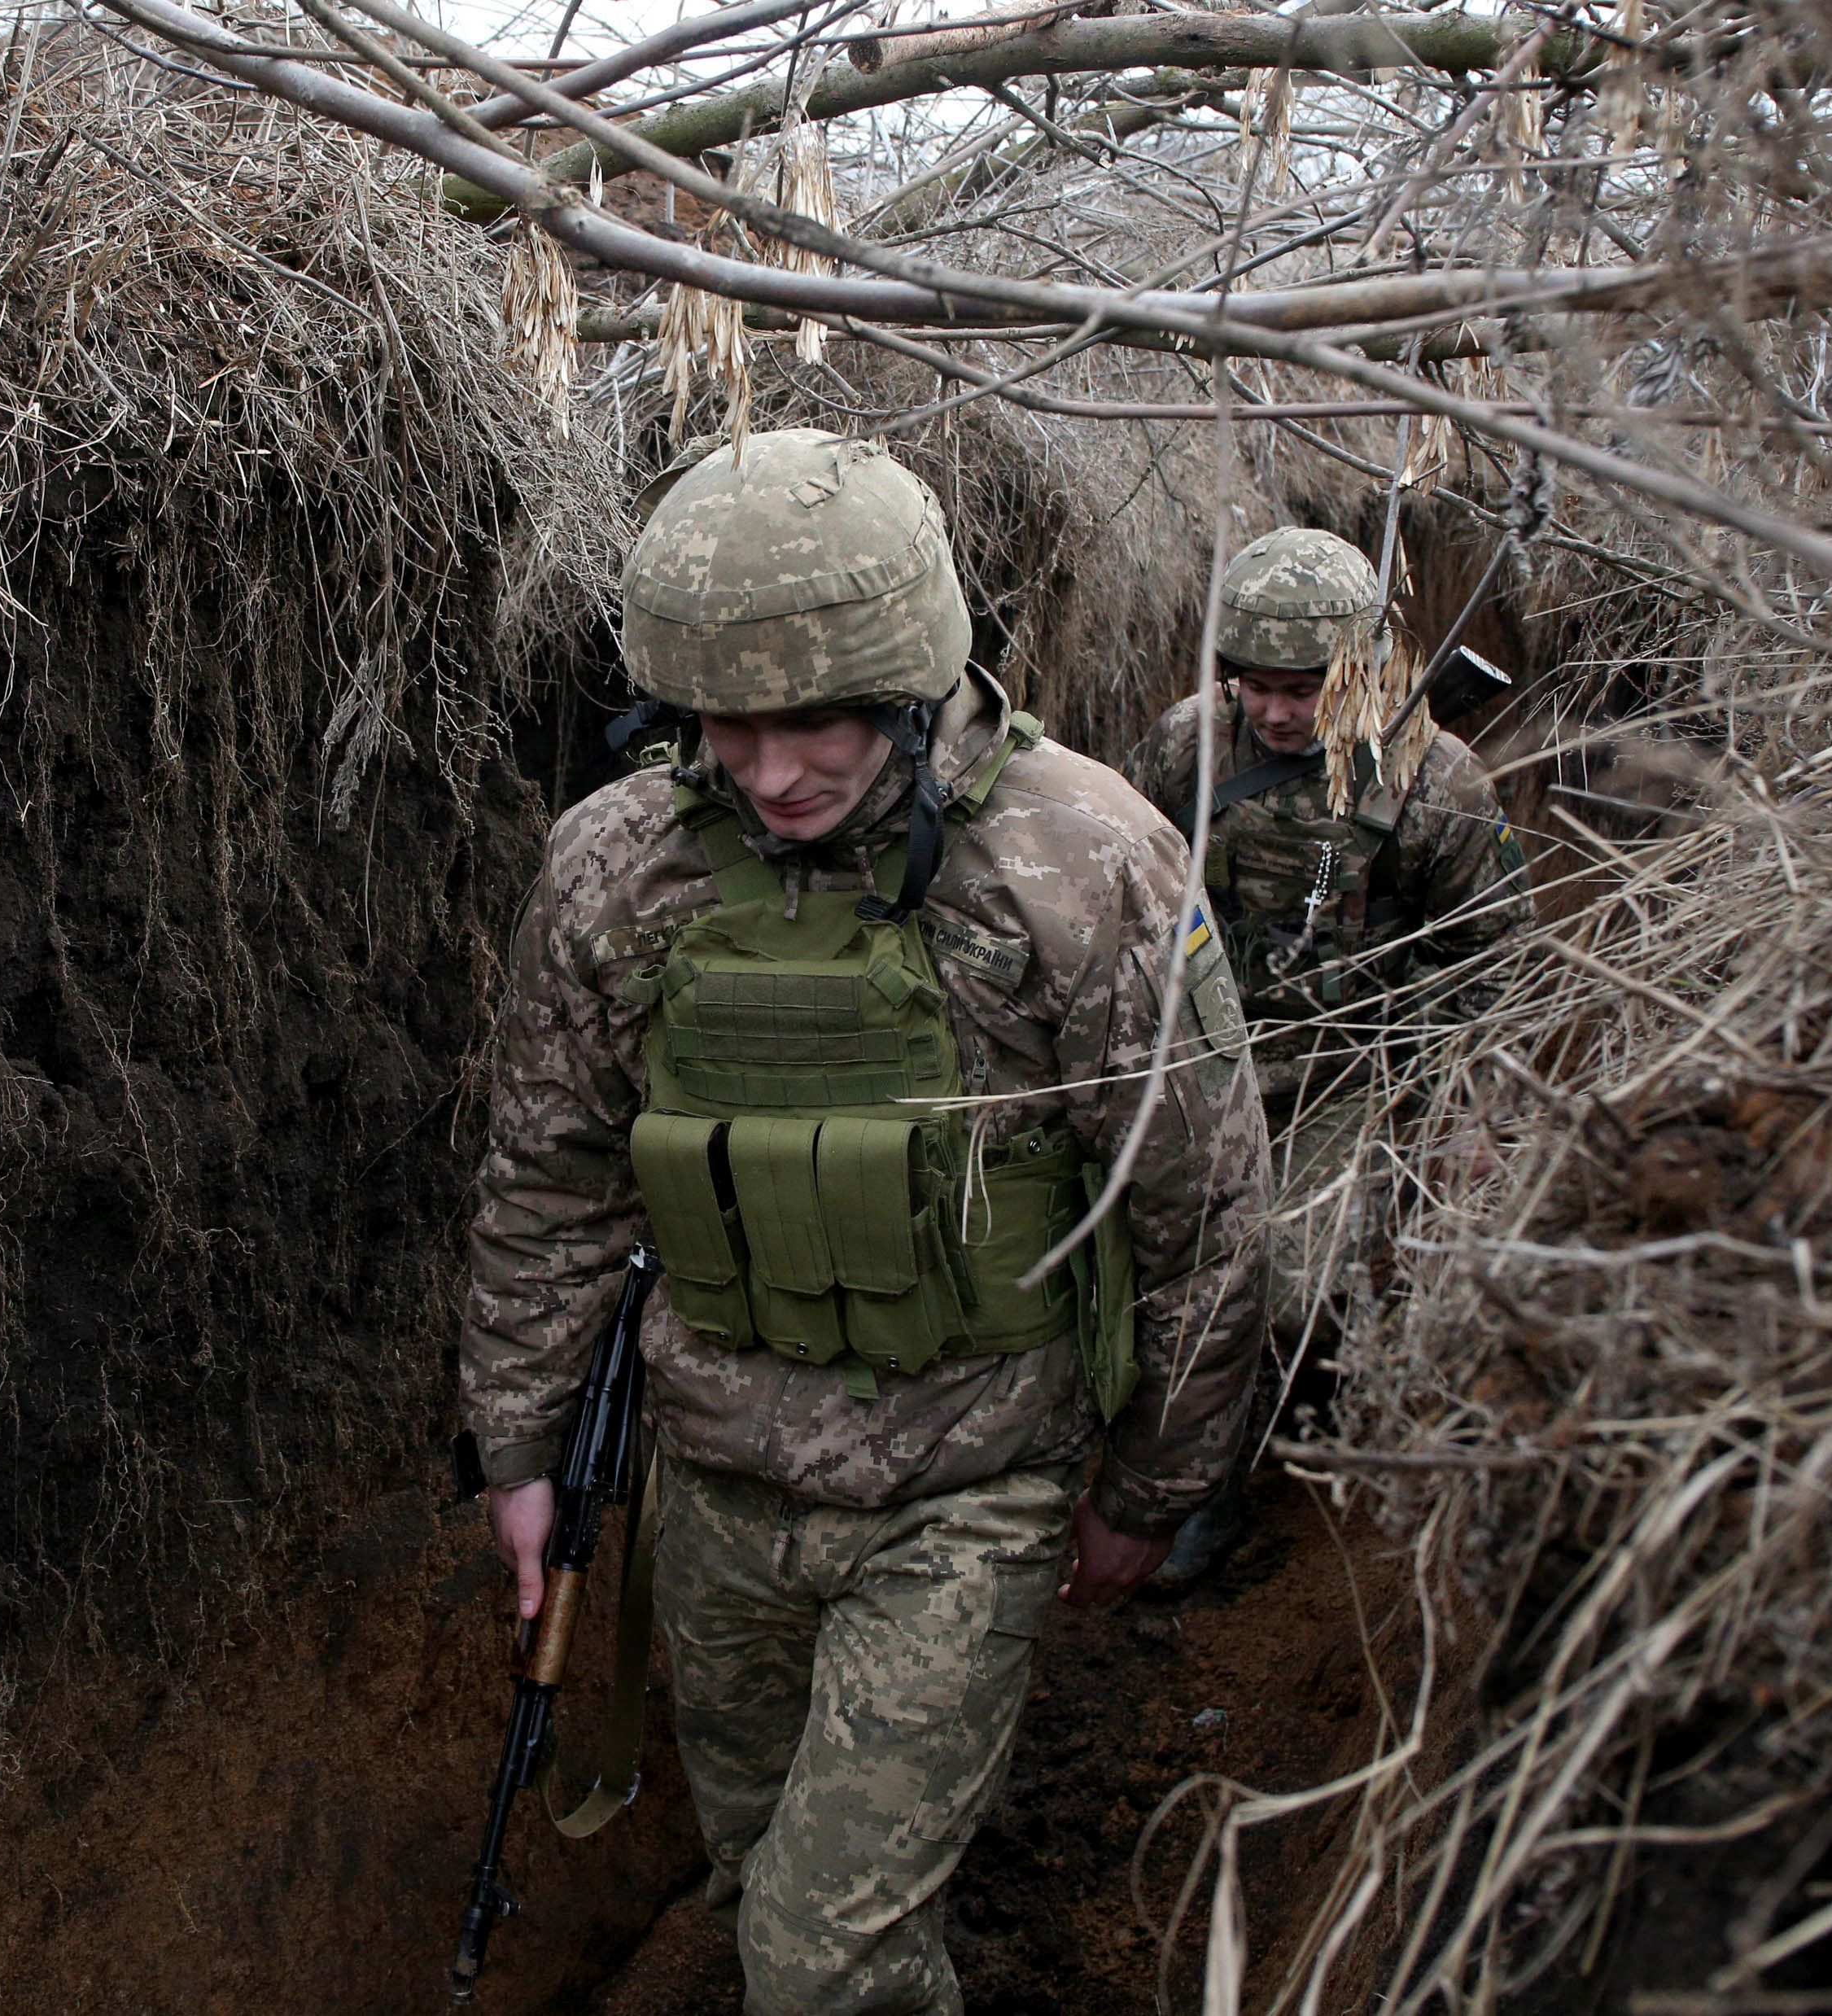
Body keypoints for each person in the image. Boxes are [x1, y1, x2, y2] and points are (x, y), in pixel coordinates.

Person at [460, 429, 1270, 2016]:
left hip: (968, 1486)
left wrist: (1156, 1484)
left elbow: (1198, 1201)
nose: (773, 772)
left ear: (909, 678)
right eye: (730, 723)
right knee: (762, 1868)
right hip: (713, 1481)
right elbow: (551, 1178)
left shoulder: (1083, 858)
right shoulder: (612, 870)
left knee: (819, 1964)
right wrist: (520, 1451)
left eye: (817, 719)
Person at [1119, 527, 1532, 1587]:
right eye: (1255, 685)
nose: (1276, 710)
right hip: (1206, 1054)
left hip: (1349, 1071)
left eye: (1303, 687)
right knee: (1152, 1263)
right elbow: (1124, 885)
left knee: (1282, 1287)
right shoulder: (1186, 746)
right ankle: (1149, 1452)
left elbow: (1493, 965)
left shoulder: (1438, 781)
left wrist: (1459, 1111)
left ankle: (1241, 1476)